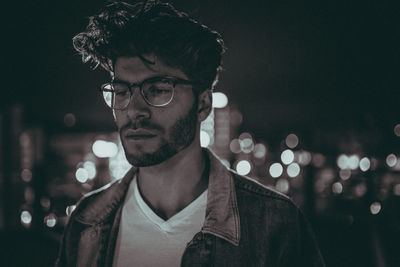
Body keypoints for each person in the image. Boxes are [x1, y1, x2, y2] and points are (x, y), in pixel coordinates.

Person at [55, 1, 326, 266]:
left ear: (203, 104)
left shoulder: (274, 223)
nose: (134, 110)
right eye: (122, 92)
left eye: (158, 89)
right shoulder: (86, 221)